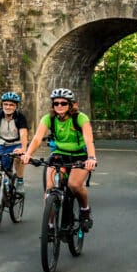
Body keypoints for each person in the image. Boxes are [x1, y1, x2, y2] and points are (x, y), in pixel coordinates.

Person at [21, 88, 97, 231]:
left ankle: (85, 210)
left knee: (74, 185)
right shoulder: (48, 118)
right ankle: (49, 225)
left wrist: (91, 157)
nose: (60, 106)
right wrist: (28, 153)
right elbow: (37, 138)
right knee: (50, 190)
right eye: (56, 103)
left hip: (79, 155)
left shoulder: (80, 118)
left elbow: (88, 139)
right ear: (53, 105)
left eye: (63, 103)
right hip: (59, 154)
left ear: (70, 105)